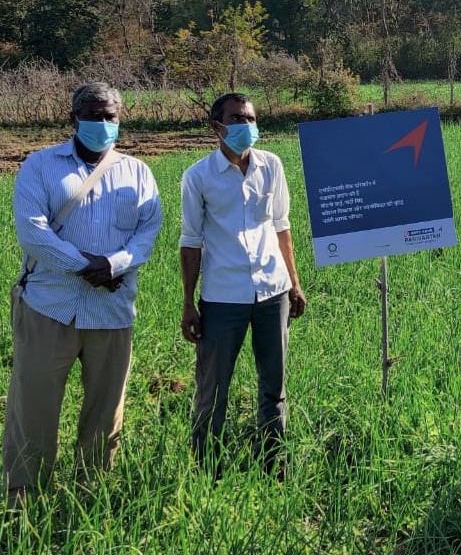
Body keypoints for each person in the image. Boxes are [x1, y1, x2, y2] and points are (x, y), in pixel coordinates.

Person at [3, 82, 162, 505]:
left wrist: (115, 265)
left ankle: (92, 492)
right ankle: (23, 495)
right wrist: (87, 266)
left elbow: (148, 232)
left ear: (120, 119)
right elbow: (32, 233)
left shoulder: (138, 172)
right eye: (92, 114)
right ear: (73, 117)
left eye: (109, 115)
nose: (102, 123)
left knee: (106, 409)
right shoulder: (40, 165)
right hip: (48, 305)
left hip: (111, 308)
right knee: (32, 407)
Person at [180, 93, 306, 476]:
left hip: (273, 291)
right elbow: (191, 241)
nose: (247, 125)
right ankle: (207, 467)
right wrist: (188, 303)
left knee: (274, 384)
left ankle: (273, 462)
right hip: (223, 296)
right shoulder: (198, 176)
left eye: (251, 118)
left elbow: (281, 226)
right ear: (217, 126)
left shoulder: (271, 165)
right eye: (237, 118)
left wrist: (294, 284)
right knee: (213, 388)